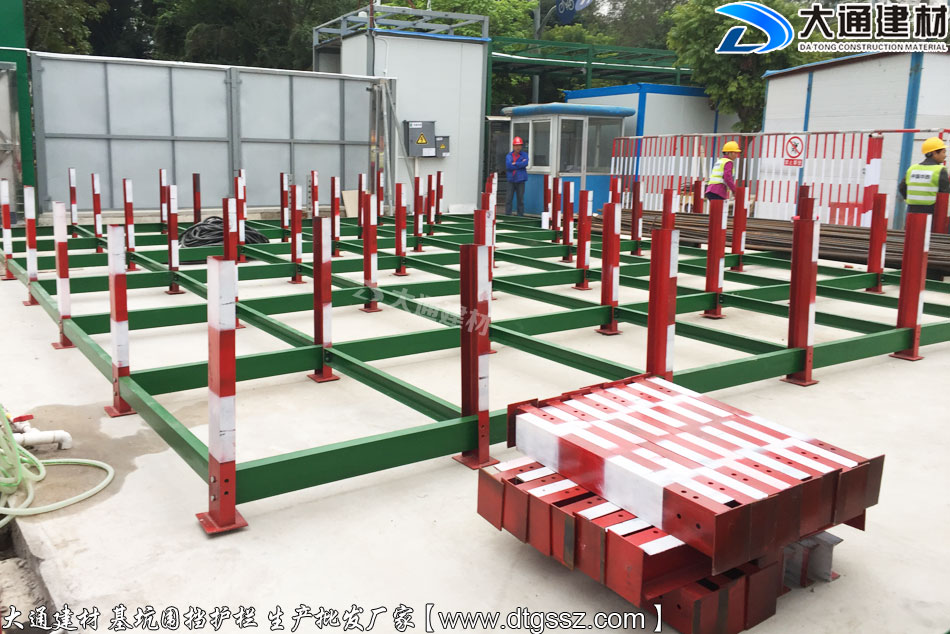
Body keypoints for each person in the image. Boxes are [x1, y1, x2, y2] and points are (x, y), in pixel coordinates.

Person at [898, 137, 950, 214]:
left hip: (912, 211)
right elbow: (944, 194)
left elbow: (902, 187)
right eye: (943, 152)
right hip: (932, 211)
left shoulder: (912, 168)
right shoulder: (940, 170)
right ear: (934, 153)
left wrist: (910, 200)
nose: (945, 156)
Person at [505, 136, 529, 216]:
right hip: (511, 180)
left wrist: (515, 163)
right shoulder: (509, 156)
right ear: (513, 146)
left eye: (519, 145)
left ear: (521, 146)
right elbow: (509, 166)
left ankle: (520, 216)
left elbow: (525, 163)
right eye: (516, 145)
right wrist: (520, 164)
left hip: (520, 180)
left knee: (520, 200)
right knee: (508, 199)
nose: (518, 147)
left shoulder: (524, 155)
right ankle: (508, 215)